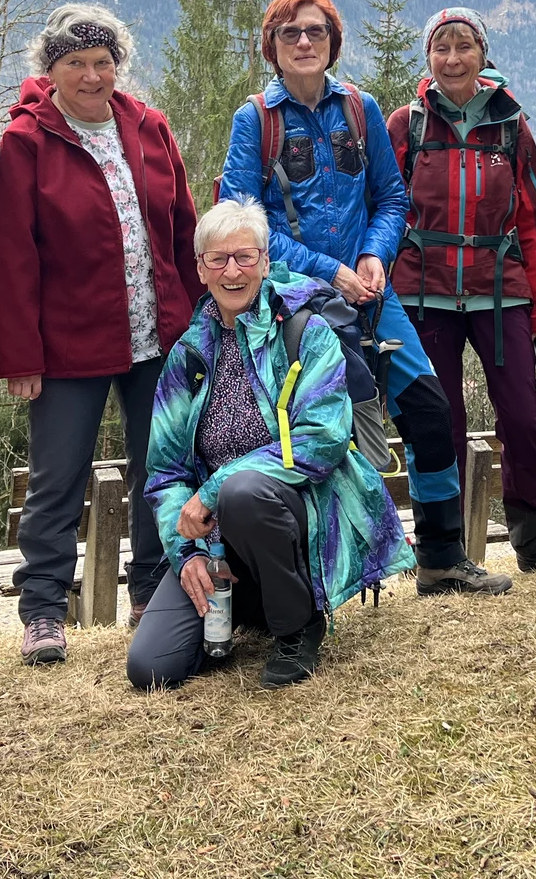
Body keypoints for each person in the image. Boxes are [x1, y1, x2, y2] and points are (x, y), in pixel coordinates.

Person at [220, 0, 511, 595]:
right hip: (295, 305)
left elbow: (392, 197)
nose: (305, 42)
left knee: (429, 409)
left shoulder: (360, 109)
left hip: (374, 298)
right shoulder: (256, 120)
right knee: (314, 433)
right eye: (291, 33)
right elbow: (243, 223)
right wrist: (331, 272)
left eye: (317, 32)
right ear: (272, 46)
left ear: (333, 42)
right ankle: (309, 576)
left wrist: (376, 254)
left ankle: (440, 557)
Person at [0, 3, 202, 665]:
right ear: (50, 70)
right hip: (68, 344)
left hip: (157, 337)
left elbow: (184, 229)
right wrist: (20, 354)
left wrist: (200, 325)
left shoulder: (149, 127)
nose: (91, 75)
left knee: (160, 466)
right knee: (58, 476)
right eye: (75, 62)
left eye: (102, 62)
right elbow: (9, 255)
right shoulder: (26, 142)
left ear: (118, 65)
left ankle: (152, 590)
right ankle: (44, 610)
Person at [128, 198, 415, 690]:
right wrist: (187, 554)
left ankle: (297, 626)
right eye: (217, 259)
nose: (232, 270)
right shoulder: (187, 355)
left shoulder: (307, 332)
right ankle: (250, 605)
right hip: (214, 538)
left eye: (245, 256)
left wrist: (213, 490)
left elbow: (322, 439)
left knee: (241, 491)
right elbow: (165, 473)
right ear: (200, 269)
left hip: (297, 516)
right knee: (151, 667)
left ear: (265, 262)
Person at [388, 7, 536, 573]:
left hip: (501, 292)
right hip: (423, 293)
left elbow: (533, 218)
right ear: (428, 56)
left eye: (464, 46)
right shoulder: (407, 125)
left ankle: (535, 537)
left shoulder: (511, 125)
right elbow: (386, 207)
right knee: (439, 421)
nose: (453, 58)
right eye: (441, 47)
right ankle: (444, 547)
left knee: (522, 415)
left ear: (482, 54)